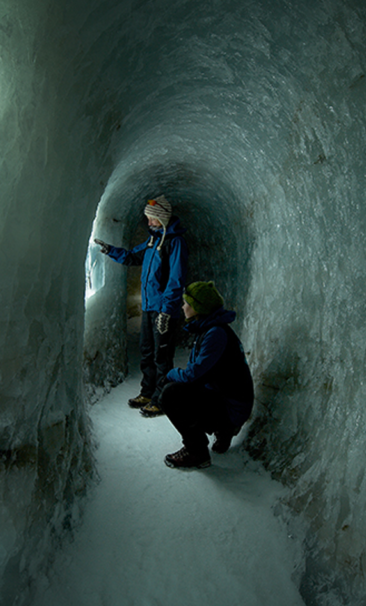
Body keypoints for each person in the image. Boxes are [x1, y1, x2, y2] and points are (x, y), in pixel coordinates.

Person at [94, 195, 188, 417]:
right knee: (147, 352)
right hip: (149, 307)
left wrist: (166, 311)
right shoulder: (152, 240)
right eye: (148, 218)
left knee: (162, 355)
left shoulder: (174, 242)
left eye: (152, 219)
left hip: (164, 310)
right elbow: (132, 257)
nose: (149, 223)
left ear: (162, 218)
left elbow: (176, 280)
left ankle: (162, 399)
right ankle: (147, 392)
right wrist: (110, 250)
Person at [159, 281, 254, 469]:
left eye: (187, 303)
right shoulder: (209, 328)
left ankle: (197, 452)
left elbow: (193, 375)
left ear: (198, 308)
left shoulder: (215, 334)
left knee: (171, 394)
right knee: (183, 388)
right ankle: (224, 430)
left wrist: (170, 374)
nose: (183, 306)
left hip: (232, 407)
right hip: (229, 400)